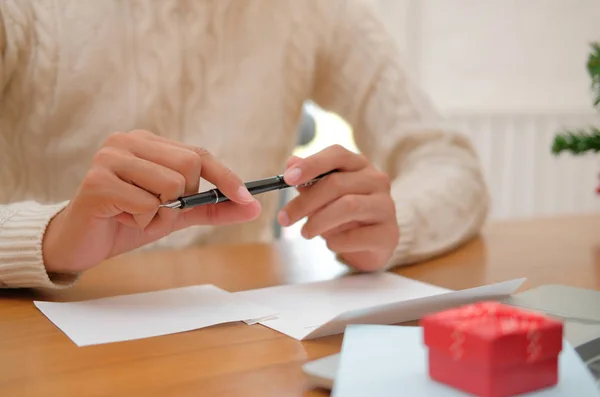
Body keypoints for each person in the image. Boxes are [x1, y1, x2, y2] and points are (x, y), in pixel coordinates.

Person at [0, 0, 489, 289]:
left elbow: (451, 164)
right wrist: (48, 238)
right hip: (40, 340)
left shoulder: (311, 10)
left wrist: (387, 227)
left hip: (238, 337)